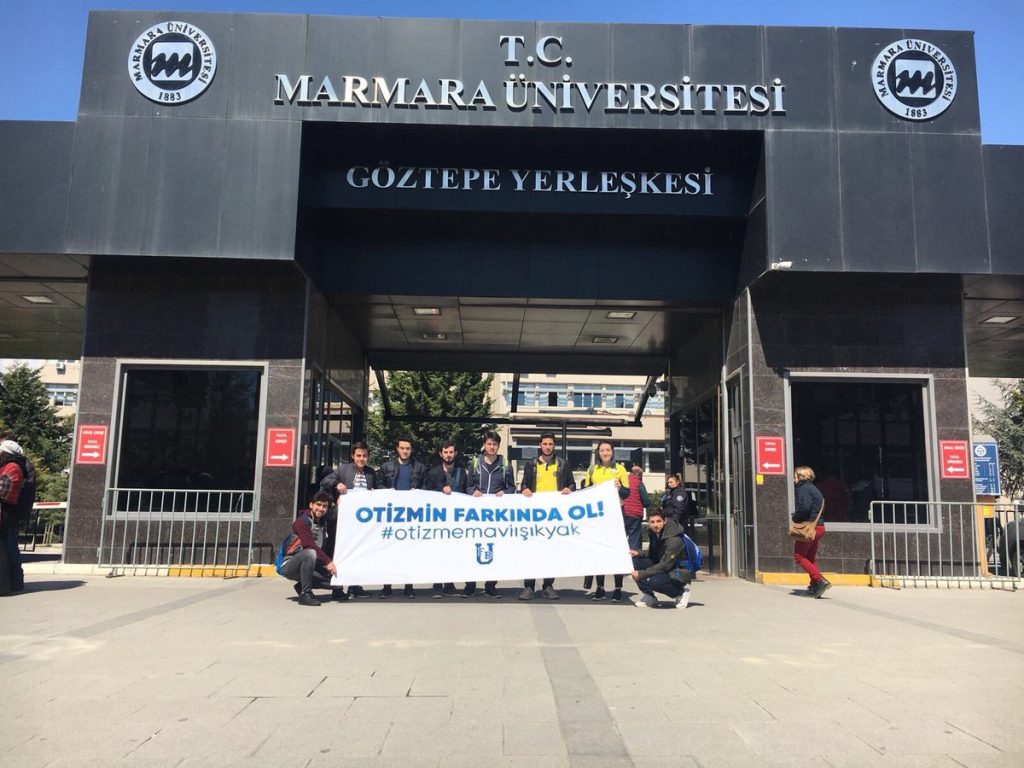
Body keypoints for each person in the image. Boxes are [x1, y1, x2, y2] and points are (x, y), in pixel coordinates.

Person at [518, 432, 575, 600]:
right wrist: (524, 489)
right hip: (534, 516)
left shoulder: (563, 464)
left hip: (554, 516)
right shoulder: (531, 464)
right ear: (540, 445)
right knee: (532, 551)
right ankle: (529, 586)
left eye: (550, 444)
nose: (547, 447)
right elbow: (524, 484)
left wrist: (569, 489)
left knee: (551, 551)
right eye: (545, 444)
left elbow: (572, 484)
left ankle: (548, 585)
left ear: (554, 445)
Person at [319, 441, 377, 598]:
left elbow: (377, 490)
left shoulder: (371, 473)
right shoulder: (343, 469)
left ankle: (354, 586)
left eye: (364, 456)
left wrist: (375, 493)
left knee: (358, 552)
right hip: (341, 519)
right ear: (353, 456)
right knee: (339, 551)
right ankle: (337, 589)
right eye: (358, 455)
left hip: (361, 522)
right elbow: (324, 482)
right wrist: (337, 484)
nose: (361, 458)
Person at [465, 431, 515, 598]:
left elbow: (512, 487)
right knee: (472, 548)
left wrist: (505, 493)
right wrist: (473, 492)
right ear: (484, 445)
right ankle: (470, 585)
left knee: (494, 549)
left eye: (494, 444)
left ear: (498, 446)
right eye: (489, 444)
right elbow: (468, 486)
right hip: (476, 515)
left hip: (496, 515)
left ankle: (491, 585)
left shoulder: (505, 464)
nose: (492, 447)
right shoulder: (475, 463)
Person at [581, 440, 630, 601]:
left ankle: (618, 588)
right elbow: (585, 491)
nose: (605, 453)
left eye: (608, 450)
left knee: (617, 551)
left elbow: (627, 493)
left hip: (616, 514)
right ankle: (600, 588)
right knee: (598, 551)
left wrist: (619, 487)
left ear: (612, 452)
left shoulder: (620, 469)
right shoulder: (592, 469)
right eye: (602, 450)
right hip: (597, 516)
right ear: (598, 452)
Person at [378, 436, 427, 599]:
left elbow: (425, 487)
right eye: (402, 448)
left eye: (408, 448)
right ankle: (387, 586)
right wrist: (387, 492)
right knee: (388, 552)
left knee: (409, 552)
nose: (405, 451)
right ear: (397, 449)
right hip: (391, 516)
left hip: (412, 517)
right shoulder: (386, 467)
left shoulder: (420, 468)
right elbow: (378, 485)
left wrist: (418, 493)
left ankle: (408, 586)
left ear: (411, 450)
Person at [278, 491, 338, 606]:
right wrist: (328, 562)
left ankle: (301, 586)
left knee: (336, 582)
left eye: (325, 506)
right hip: (290, 566)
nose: (321, 509)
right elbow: (309, 545)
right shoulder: (301, 522)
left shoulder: (323, 522)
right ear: (311, 505)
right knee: (310, 553)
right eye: (318, 505)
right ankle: (306, 594)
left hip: (311, 565)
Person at [424, 441, 466, 598]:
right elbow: (426, 493)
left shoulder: (462, 472)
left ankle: (449, 585)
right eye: (446, 452)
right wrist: (440, 489)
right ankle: (437, 585)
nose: (448, 455)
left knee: (452, 553)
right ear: (441, 454)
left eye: (451, 452)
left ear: (455, 454)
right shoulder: (433, 473)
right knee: (437, 553)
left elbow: (466, 491)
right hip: (438, 520)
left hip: (456, 520)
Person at [630, 509, 692, 608]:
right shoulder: (654, 533)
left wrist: (641, 574)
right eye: (652, 522)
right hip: (666, 564)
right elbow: (654, 552)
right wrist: (638, 553)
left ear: (665, 521)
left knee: (655, 582)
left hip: (679, 571)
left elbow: (665, 565)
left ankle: (681, 592)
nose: (655, 525)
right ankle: (649, 596)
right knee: (635, 563)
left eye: (658, 521)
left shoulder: (674, 539)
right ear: (648, 522)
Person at [792, 465, 829, 597]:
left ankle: (819, 580)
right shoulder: (814, 488)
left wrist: (795, 517)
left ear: (801, 476)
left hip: (809, 528)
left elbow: (805, 507)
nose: (794, 479)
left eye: (795, 476)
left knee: (798, 556)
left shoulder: (803, 488)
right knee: (810, 558)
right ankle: (815, 586)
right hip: (819, 527)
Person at [0, 439, 27, 594]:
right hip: (7, 512)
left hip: (7, 513)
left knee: (7, 548)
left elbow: (2, 490)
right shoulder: (9, 466)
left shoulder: (12, 468)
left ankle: (12, 582)